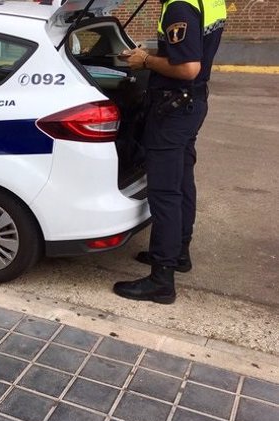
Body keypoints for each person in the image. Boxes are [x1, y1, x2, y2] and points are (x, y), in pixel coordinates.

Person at [113, 0, 227, 304]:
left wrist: (145, 61)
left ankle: (162, 279)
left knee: (164, 192)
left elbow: (188, 67)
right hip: (191, 105)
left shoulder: (178, 6)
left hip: (173, 108)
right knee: (181, 180)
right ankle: (178, 254)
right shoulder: (209, 1)